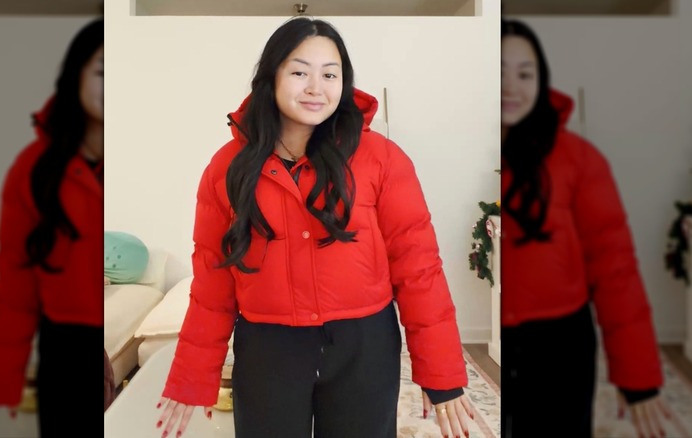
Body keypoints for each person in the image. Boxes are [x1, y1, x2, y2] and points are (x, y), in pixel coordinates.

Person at [156, 17, 474, 438]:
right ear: (271, 77)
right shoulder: (227, 168)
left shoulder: (382, 159)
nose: (315, 87)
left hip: (364, 347)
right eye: (300, 71)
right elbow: (213, 280)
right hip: (268, 350)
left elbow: (418, 268)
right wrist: (193, 376)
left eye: (330, 74)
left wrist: (442, 373)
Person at [500, 18, 671, 438]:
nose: (510, 86)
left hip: (560, 345)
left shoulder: (579, 159)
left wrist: (638, 376)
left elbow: (615, 270)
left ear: (542, 81)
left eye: (525, 74)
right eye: (499, 71)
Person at [0, 18, 104, 437]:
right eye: (100, 73)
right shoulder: (33, 169)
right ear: (75, 77)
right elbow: (16, 292)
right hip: (62, 346)